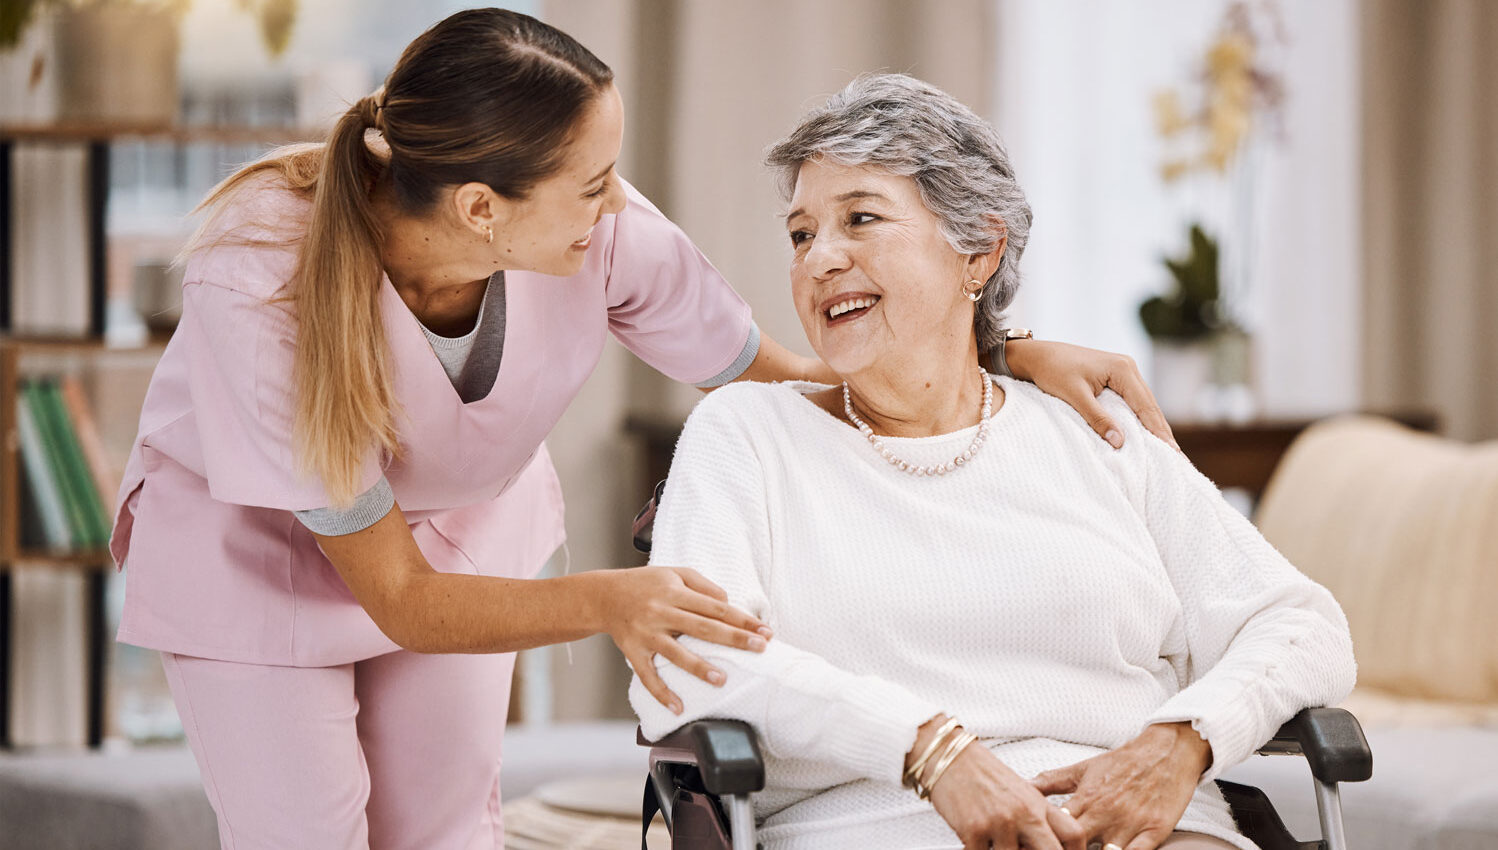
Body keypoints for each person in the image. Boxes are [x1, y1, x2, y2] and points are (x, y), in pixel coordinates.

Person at [110, 11, 1178, 849]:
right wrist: (614, 601)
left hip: (464, 541)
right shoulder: (259, 274)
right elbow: (397, 596)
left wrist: (1005, 353)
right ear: (482, 207)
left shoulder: (604, 234)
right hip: (266, 570)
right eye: (588, 182)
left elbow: (808, 370)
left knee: (442, 833)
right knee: (306, 834)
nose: (614, 203)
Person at [630, 73, 1357, 850]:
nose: (819, 260)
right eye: (802, 234)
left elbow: (1301, 624)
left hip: (1132, 824)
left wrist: (1184, 741)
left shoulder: (1091, 431)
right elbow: (692, 662)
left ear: (978, 251)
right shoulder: (745, 433)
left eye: (860, 219)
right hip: (874, 823)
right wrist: (928, 749)